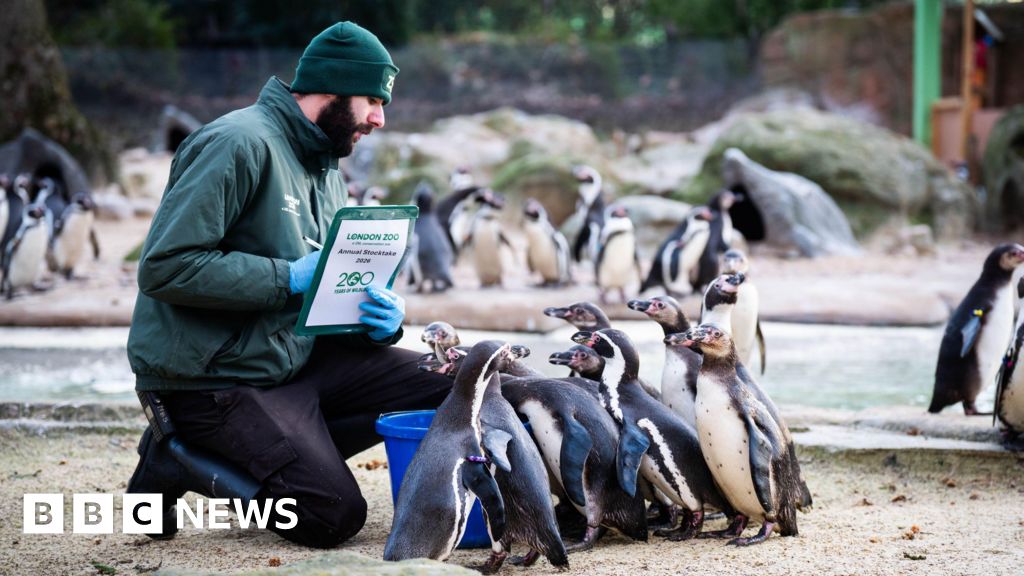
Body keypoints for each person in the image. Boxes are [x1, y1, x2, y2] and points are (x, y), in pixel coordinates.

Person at [125, 21, 452, 549]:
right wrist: (289, 276)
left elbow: (323, 292)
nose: (380, 117)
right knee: (331, 516)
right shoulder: (236, 143)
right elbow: (165, 267)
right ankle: (178, 456)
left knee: (458, 380)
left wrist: (375, 321)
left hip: (293, 361)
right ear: (332, 89)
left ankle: (286, 445)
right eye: (372, 99)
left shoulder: (325, 167)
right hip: (215, 381)